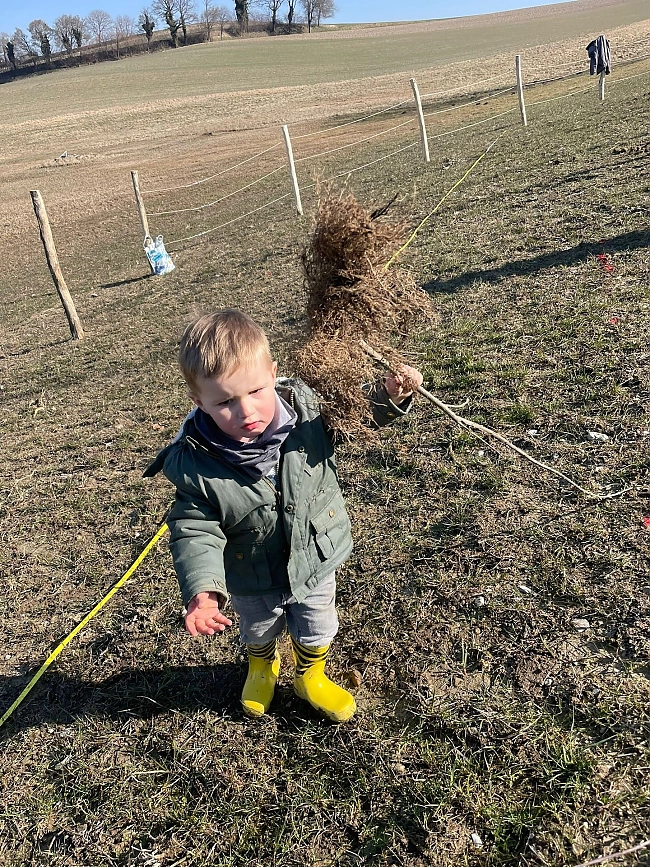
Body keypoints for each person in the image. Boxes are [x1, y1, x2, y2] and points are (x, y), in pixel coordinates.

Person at [145, 309, 423, 722]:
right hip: (251, 572)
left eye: (256, 390)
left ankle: (310, 674)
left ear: (273, 375)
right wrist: (202, 591)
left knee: (317, 623)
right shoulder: (197, 465)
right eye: (224, 402)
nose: (246, 411)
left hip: (313, 556)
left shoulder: (310, 415)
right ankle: (262, 665)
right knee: (258, 628)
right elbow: (194, 530)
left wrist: (390, 396)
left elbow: (358, 414)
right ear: (198, 402)